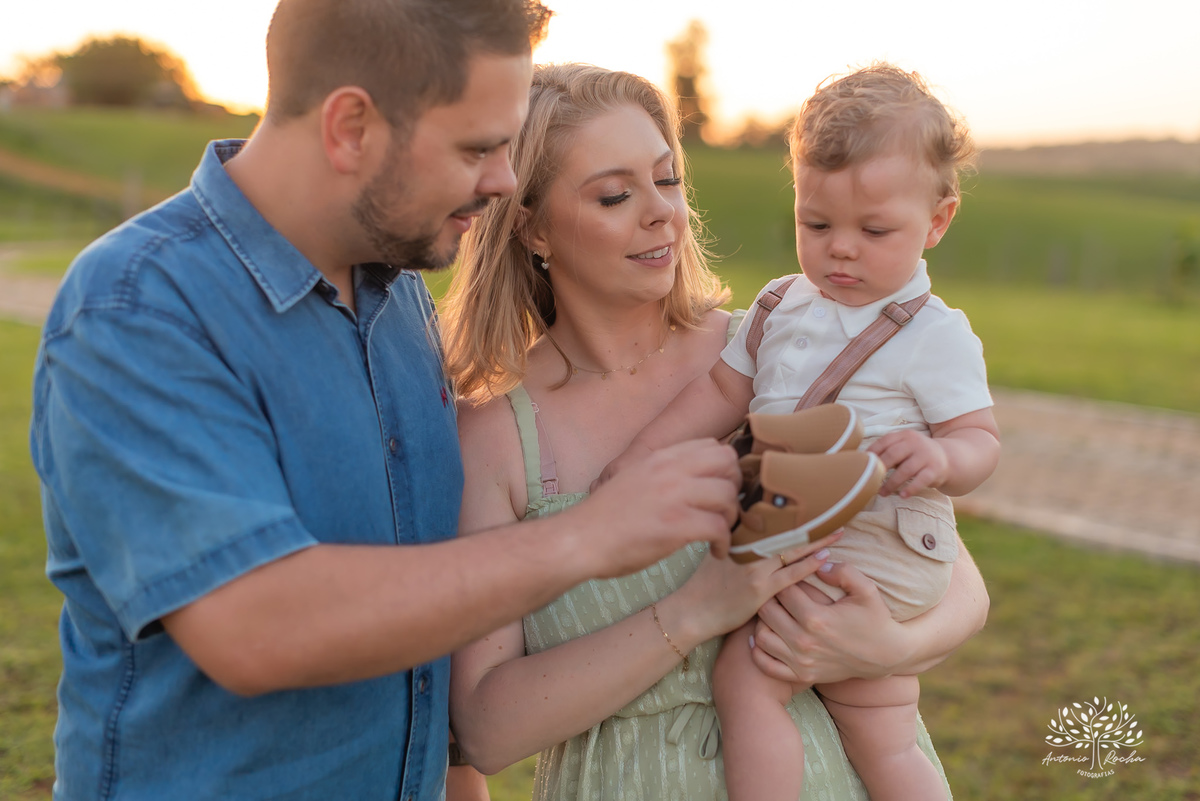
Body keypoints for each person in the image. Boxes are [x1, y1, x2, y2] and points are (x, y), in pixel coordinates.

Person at [27, 3, 752, 799]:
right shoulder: (143, 308)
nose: (505, 182)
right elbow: (257, 627)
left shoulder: (401, 302)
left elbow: (428, 649)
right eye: (478, 147)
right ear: (350, 128)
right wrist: (586, 535)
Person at [441, 63, 991, 801]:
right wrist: (695, 609)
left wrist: (891, 646)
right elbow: (483, 730)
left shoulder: (776, 351)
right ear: (533, 225)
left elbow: (956, 575)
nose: (661, 213)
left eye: (667, 181)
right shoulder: (499, 437)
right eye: (614, 194)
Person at [602, 65, 1002, 801]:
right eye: (816, 224)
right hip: (808, 527)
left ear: (937, 221)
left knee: (745, 676)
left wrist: (943, 455)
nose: (840, 248)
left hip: (873, 540)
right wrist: (636, 458)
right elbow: (722, 391)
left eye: (874, 230)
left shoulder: (934, 335)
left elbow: (982, 441)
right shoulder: (783, 302)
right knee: (881, 729)